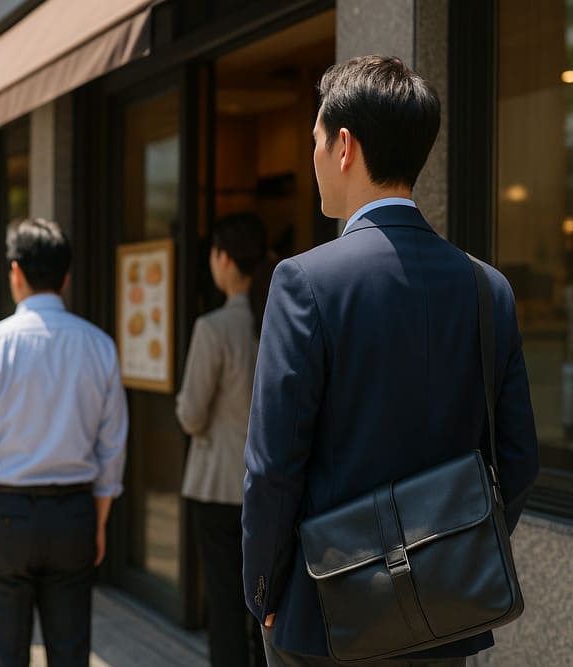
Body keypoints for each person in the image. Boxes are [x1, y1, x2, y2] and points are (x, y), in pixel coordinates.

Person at [241, 55, 540, 667]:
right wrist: (453, 558)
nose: (315, 160)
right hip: (444, 616)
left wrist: (263, 590)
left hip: (323, 615)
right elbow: (518, 459)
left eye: (316, 142)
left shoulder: (304, 280)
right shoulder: (488, 289)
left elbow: (274, 465)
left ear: (344, 146)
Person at [0, 219, 128, 667]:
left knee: (4, 655)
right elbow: (112, 449)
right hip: (73, 512)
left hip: (5, 517)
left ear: (15, 272)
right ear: (65, 276)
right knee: (70, 653)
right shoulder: (99, 345)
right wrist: (99, 521)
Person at [176, 214, 273, 667]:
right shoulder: (277, 318)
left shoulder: (213, 328)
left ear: (225, 260)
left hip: (217, 485)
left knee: (225, 603)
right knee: (265, 606)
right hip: (270, 485)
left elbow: (191, 415)